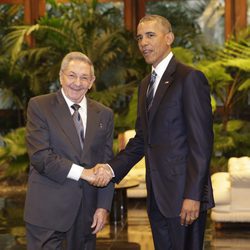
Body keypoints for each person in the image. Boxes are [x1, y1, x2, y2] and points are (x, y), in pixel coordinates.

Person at [89, 15, 215, 250]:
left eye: (150, 35)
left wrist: (193, 196)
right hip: (157, 198)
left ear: (169, 38)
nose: (143, 43)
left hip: (183, 198)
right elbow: (142, 140)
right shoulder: (146, 84)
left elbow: (201, 144)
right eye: (139, 38)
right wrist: (110, 169)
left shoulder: (189, 79)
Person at [24, 51, 114, 250]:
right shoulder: (39, 106)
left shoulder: (104, 115)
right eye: (72, 75)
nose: (77, 82)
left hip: (86, 215)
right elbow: (41, 157)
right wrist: (85, 173)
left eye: (84, 77)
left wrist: (103, 206)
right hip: (47, 213)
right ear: (61, 76)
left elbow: (107, 163)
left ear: (92, 82)